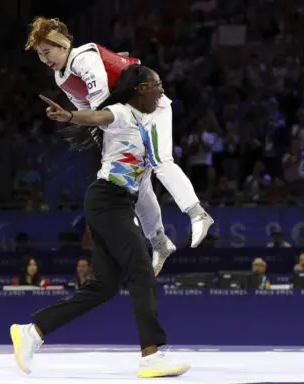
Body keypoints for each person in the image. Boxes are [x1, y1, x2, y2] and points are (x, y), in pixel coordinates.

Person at [10, 65, 191, 378]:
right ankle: (151, 355)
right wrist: (69, 116)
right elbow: (97, 117)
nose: (161, 91)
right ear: (139, 89)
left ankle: (34, 331)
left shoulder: (146, 124)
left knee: (104, 287)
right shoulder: (120, 112)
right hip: (108, 200)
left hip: (118, 202)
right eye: (156, 85)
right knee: (140, 270)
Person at [25, 17, 214, 275]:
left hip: (147, 103)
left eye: (47, 52)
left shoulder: (84, 57)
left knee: (160, 160)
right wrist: (98, 139)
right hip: (123, 116)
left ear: (63, 44)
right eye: (40, 55)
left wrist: (76, 119)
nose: (45, 59)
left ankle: (197, 213)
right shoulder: (61, 77)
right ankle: (160, 242)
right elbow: (88, 111)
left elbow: (100, 100)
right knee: (136, 180)